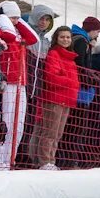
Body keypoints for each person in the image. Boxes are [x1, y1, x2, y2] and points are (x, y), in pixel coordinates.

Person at [0, 1, 40, 170]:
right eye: (13, 17)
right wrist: (2, 18)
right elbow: (9, 36)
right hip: (5, 81)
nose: (16, 21)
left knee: (18, 124)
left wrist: (18, 20)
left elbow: (33, 38)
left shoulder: (17, 29)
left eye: (17, 17)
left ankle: (9, 159)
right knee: (3, 123)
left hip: (20, 82)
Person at [32, 26, 79, 170]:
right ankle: (44, 161)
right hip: (54, 98)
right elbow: (51, 78)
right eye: (62, 37)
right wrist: (72, 82)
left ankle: (51, 160)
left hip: (67, 99)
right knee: (50, 132)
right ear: (56, 39)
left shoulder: (70, 58)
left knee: (58, 134)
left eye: (68, 37)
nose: (65, 40)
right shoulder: (54, 54)